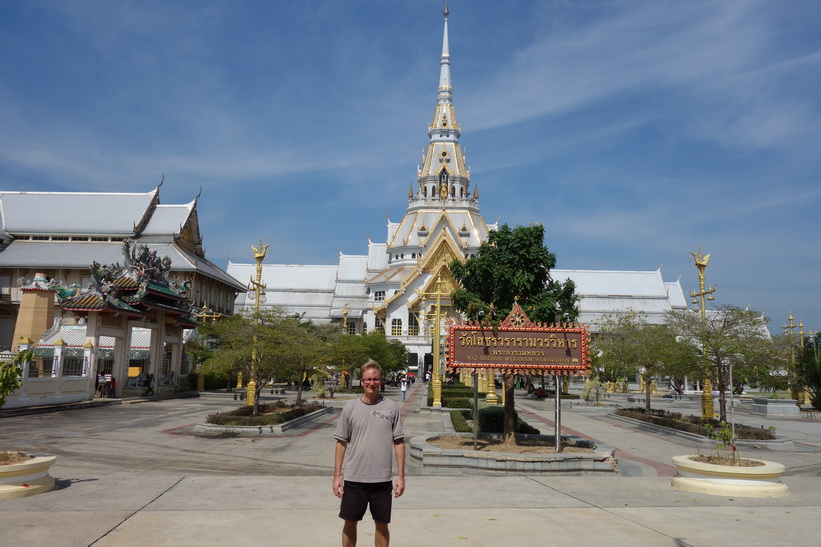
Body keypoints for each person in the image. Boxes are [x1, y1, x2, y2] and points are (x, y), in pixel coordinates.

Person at [333, 360, 405, 547]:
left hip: (382, 480)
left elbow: (398, 442)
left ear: (381, 381)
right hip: (355, 479)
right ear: (362, 381)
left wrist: (401, 476)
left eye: (375, 379)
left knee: (382, 525)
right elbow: (341, 443)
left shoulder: (391, 407)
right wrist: (337, 476)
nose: (371, 383)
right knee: (350, 523)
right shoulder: (350, 409)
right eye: (368, 379)